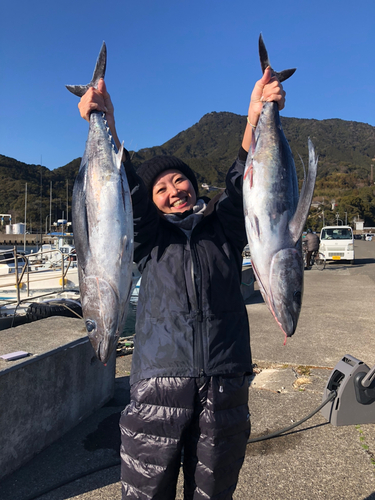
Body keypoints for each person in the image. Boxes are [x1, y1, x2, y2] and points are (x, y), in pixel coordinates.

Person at [78, 67, 285, 500]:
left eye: (179, 180)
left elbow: (242, 180)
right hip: (158, 387)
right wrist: (106, 123)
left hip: (225, 385)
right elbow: (127, 196)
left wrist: (255, 116)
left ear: (193, 184)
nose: (174, 190)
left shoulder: (224, 228)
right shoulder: (148, 238)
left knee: (213, 493)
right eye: (161, 188)